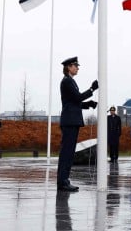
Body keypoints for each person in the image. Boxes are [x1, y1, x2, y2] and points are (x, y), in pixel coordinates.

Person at [57, 56, 98, 192]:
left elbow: (76, 102)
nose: (77, 68)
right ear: (69, 67)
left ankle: (65, 180)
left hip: (72, 120)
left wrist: (88, 104)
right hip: (70, 121)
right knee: (67, 153)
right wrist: (92, 89)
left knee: (69, 152)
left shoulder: (71, 82)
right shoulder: (67, 82)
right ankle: (63, 182)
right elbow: (77, 97)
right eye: (75, 65)